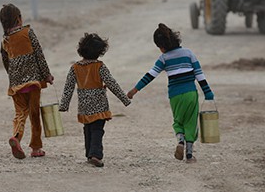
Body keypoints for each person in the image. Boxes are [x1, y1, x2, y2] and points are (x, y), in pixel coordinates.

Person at [127, 23, 214, 163]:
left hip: (174, 95)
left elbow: (150, 75)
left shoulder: (164, 58)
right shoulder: (188, 53)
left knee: (178, 121)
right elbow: (199, 75)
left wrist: (135, 90)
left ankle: (180, 141)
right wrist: (208, 92)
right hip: (190, 93)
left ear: (162, 46)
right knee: (191, 122)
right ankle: (190, 156)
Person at [59, 33, 131, 167]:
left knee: (88, 129)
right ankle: (96, 155)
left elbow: (68, 87)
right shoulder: (100, 66)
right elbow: (111, 83)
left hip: (84, 107)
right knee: (97, 129)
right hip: (99, 106)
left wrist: (64, 104)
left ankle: (89, 154)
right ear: (99, 52)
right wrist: (124, 99)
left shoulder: (75, 67)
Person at [0, 3, 54, 159]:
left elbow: (6, 63)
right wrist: (47, 75)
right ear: (19, 19)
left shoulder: (5, 41)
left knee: (20, 114)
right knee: (34, 115)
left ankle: (16, 137)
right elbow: (39, 55)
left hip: (16, 85)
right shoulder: (28, 33)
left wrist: (14, 77)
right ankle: (36, 148)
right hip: (33, 83)